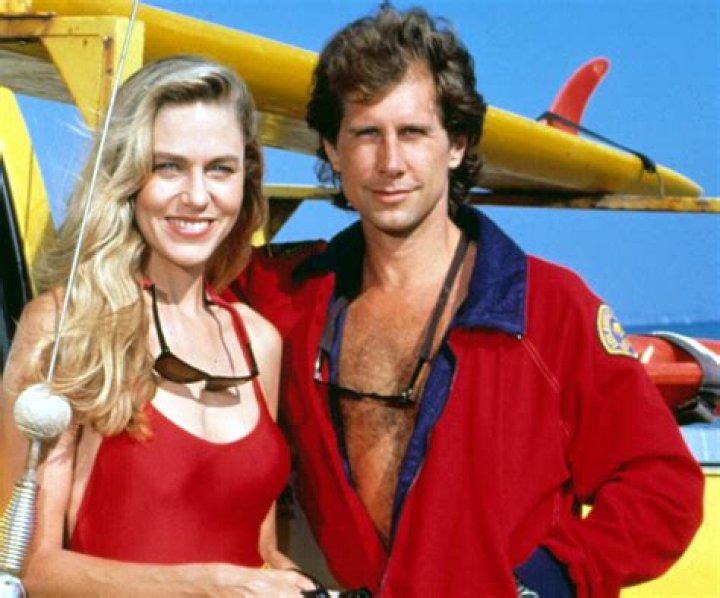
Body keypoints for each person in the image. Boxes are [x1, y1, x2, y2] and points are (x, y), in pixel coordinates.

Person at [226, 6, 705, 597]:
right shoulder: (287, 296)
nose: (391, 162)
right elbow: (156, 294)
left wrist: (552, 579)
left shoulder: (549, 309)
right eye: (367, 134)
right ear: (332, 149)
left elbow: (662, 485)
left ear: (455, 144)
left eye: (413, 133)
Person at [0, 55, 316, 596]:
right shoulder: (66, 325)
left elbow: (260, 552)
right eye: (169, 166)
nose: (197, 196)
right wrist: (206, 587)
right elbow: (27, 569)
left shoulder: (257, 340)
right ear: (128, 177)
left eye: (220, 169)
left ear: (247, 181)